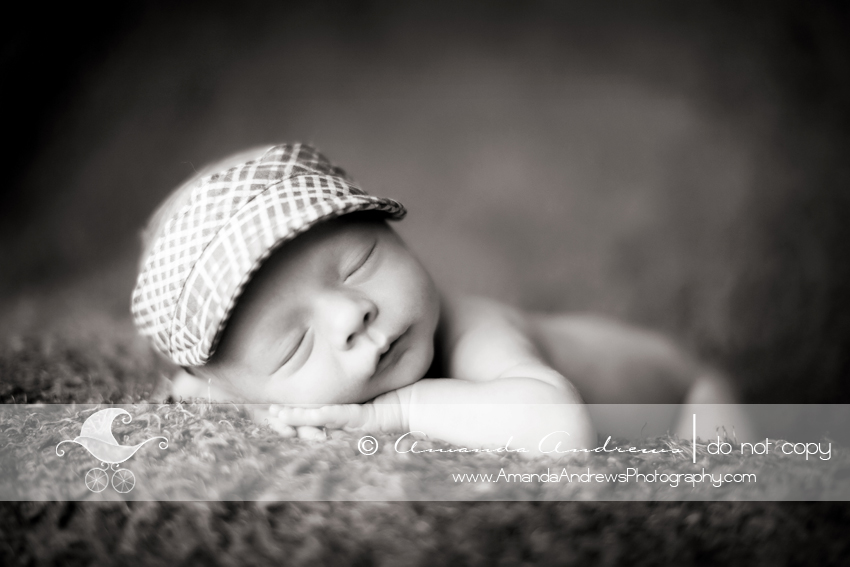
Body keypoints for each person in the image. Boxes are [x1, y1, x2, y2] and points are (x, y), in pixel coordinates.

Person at [132, 143, 752, 455]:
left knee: (725, 490)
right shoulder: (240, 381)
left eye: (358, 263)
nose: (351, 313)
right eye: (292, 346)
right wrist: (209, 389)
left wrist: (393, 413)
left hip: (687, 398)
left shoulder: (470, 329)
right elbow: (222, 382)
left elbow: (561, 428)